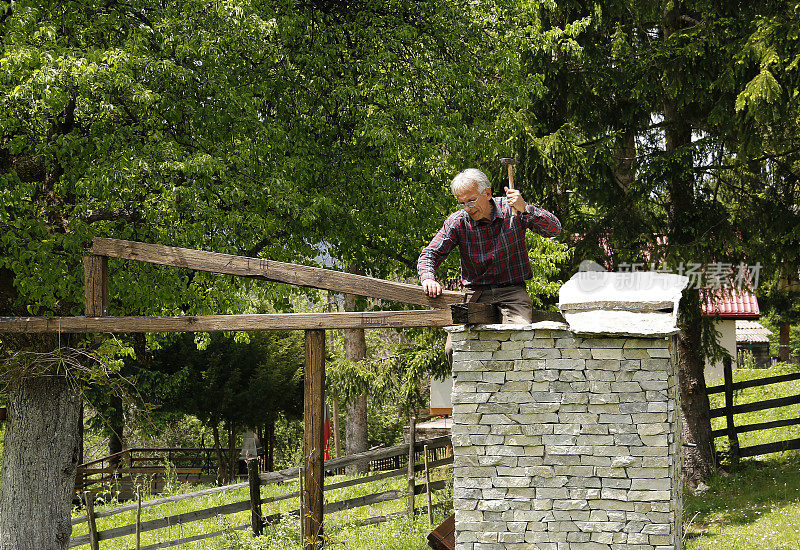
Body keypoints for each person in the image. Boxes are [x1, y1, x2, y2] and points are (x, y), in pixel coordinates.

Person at [417, 168, 562, 362]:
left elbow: (555, 229)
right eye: (462, 203)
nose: (467, 207)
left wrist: (526, 208)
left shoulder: (513, 210)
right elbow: (430, 253)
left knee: (518, 339)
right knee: (454, 349)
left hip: (512, 293)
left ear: (488, 193)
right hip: (475, 295)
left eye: (471, 200)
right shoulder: (458, 222)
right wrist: (428, 278)